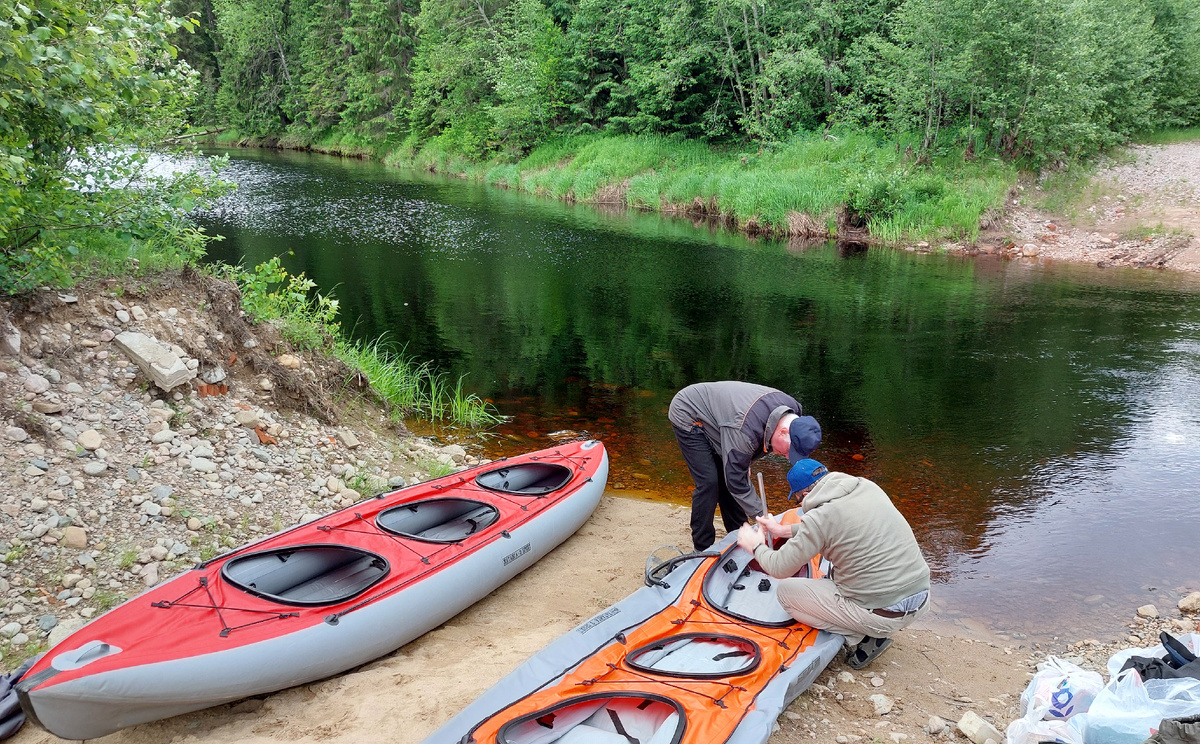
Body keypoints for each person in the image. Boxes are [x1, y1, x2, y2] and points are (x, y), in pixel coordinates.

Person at [736, 459, 930, 669]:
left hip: (884, 615)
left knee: (786, 593)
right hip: (921, 598)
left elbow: (779, 567)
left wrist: (755, 545)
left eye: (799, 502)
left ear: (805, 495)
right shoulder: (866, 487)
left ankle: (863, 635)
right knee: (834, 570)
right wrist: (783, 531)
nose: (801, 507)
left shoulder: (820, 518)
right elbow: (835, 525)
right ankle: (871, 625)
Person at [668, 381, 821, 551]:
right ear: (783, 431)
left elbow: (757, 444)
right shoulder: (744, 431)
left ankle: (738, 534)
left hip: (728, 421)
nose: (786, 457)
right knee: (710, 482)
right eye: (789, 451)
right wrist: (763, 517)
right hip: (690, 413)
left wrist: (746, 460)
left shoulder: (794, 412)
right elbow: (736, 481)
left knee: (731, 475)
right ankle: (701, 548)